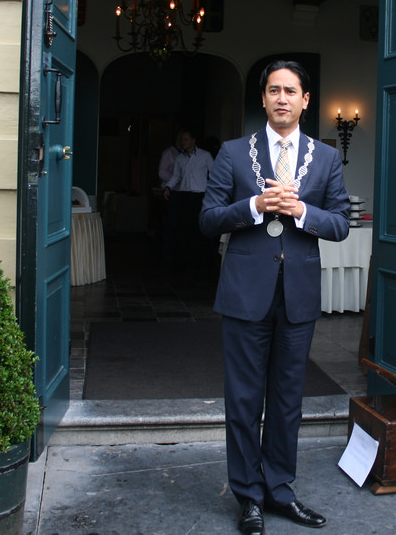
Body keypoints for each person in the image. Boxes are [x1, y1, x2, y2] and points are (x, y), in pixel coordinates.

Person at [199, 60, 349, 535]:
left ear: (306, 100)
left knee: (287, 403)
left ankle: (280, 492)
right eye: (273, 90)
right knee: (244, 401)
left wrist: (302, 211)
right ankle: (249, 497)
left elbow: (340, 224)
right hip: (245, 294)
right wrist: (254, 206)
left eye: (291, 91)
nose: (282, 98)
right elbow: (207, 219)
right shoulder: (232, 153)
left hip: (298, 297)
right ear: (262, 99)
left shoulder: (326, 158)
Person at [164, 130, 214, 271]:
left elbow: (214, 173)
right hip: (185, 196)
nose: (183, 142)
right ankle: (186, 261)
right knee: (185, 229)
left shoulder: (205, 155)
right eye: (182, 140)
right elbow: (176, 176)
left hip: (200, 196)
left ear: (193, 140)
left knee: (199, 228)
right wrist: (168, 187)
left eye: (185, 139)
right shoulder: (180, 158)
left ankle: (201, 262)